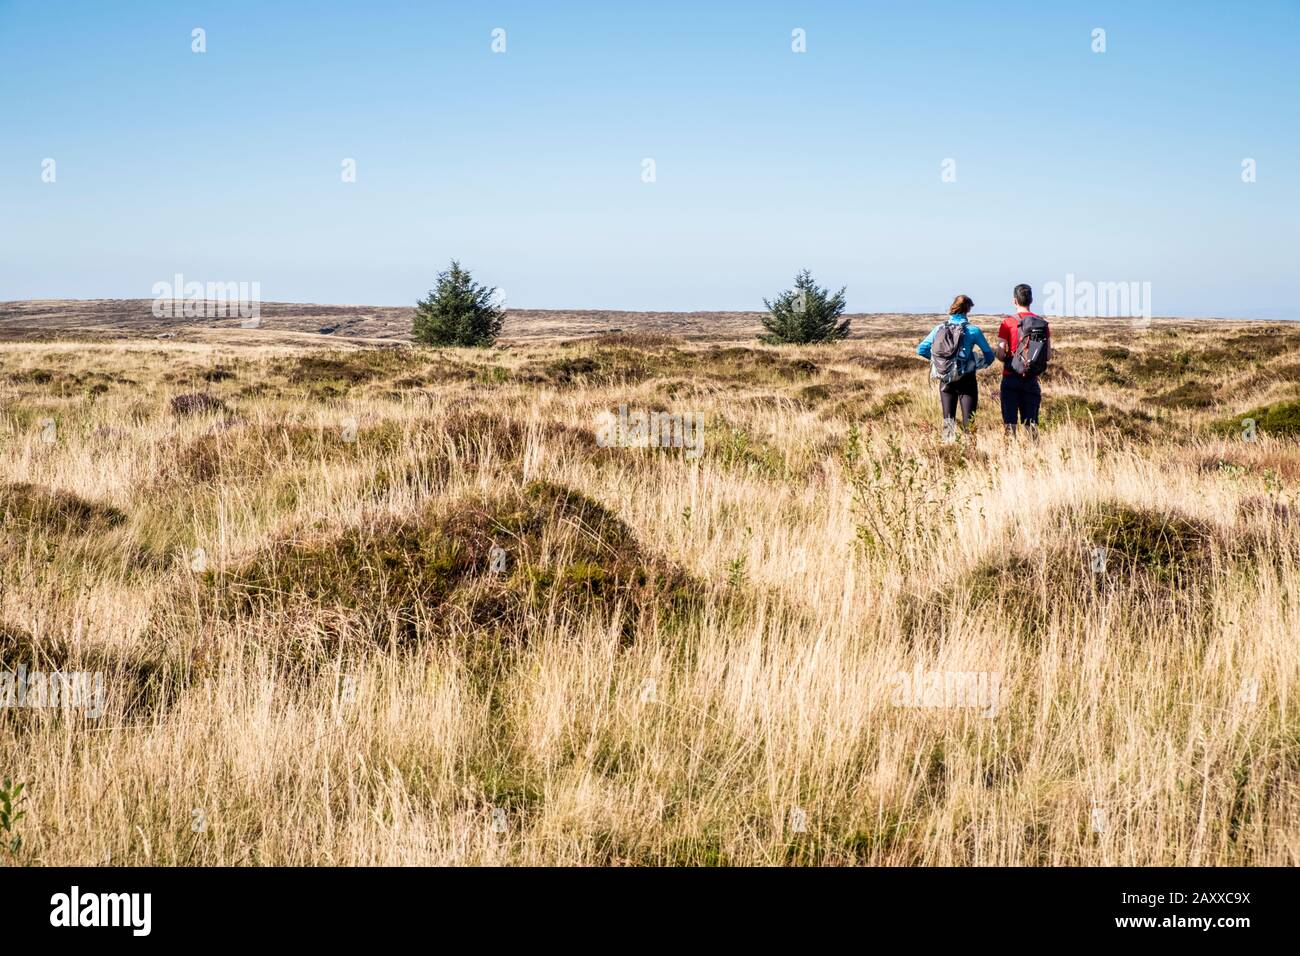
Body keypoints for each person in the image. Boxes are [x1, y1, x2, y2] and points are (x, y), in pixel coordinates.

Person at [916, 295, 995, 440]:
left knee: (948, 421)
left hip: (945, 378)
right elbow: (990, 356)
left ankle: (947, 451)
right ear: (968, 309)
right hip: (967, 379)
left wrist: (938, 362)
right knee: (969, 422)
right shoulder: (973, 331)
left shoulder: (939, 328)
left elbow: (921, 349)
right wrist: (978, 364)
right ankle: (971, 452)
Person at [995, 283, 1051, 438]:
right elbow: (1047, 355)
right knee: (1031, 424)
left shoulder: (1007, 323)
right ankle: (1034, 456)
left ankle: (1012, 457)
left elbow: (1000, 353)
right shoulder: (1042, 323)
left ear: (1014, 301)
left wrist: (1006, 357)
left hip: (1010, 376)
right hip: (1031, 379)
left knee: (1010, 425)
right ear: (1031, 300)